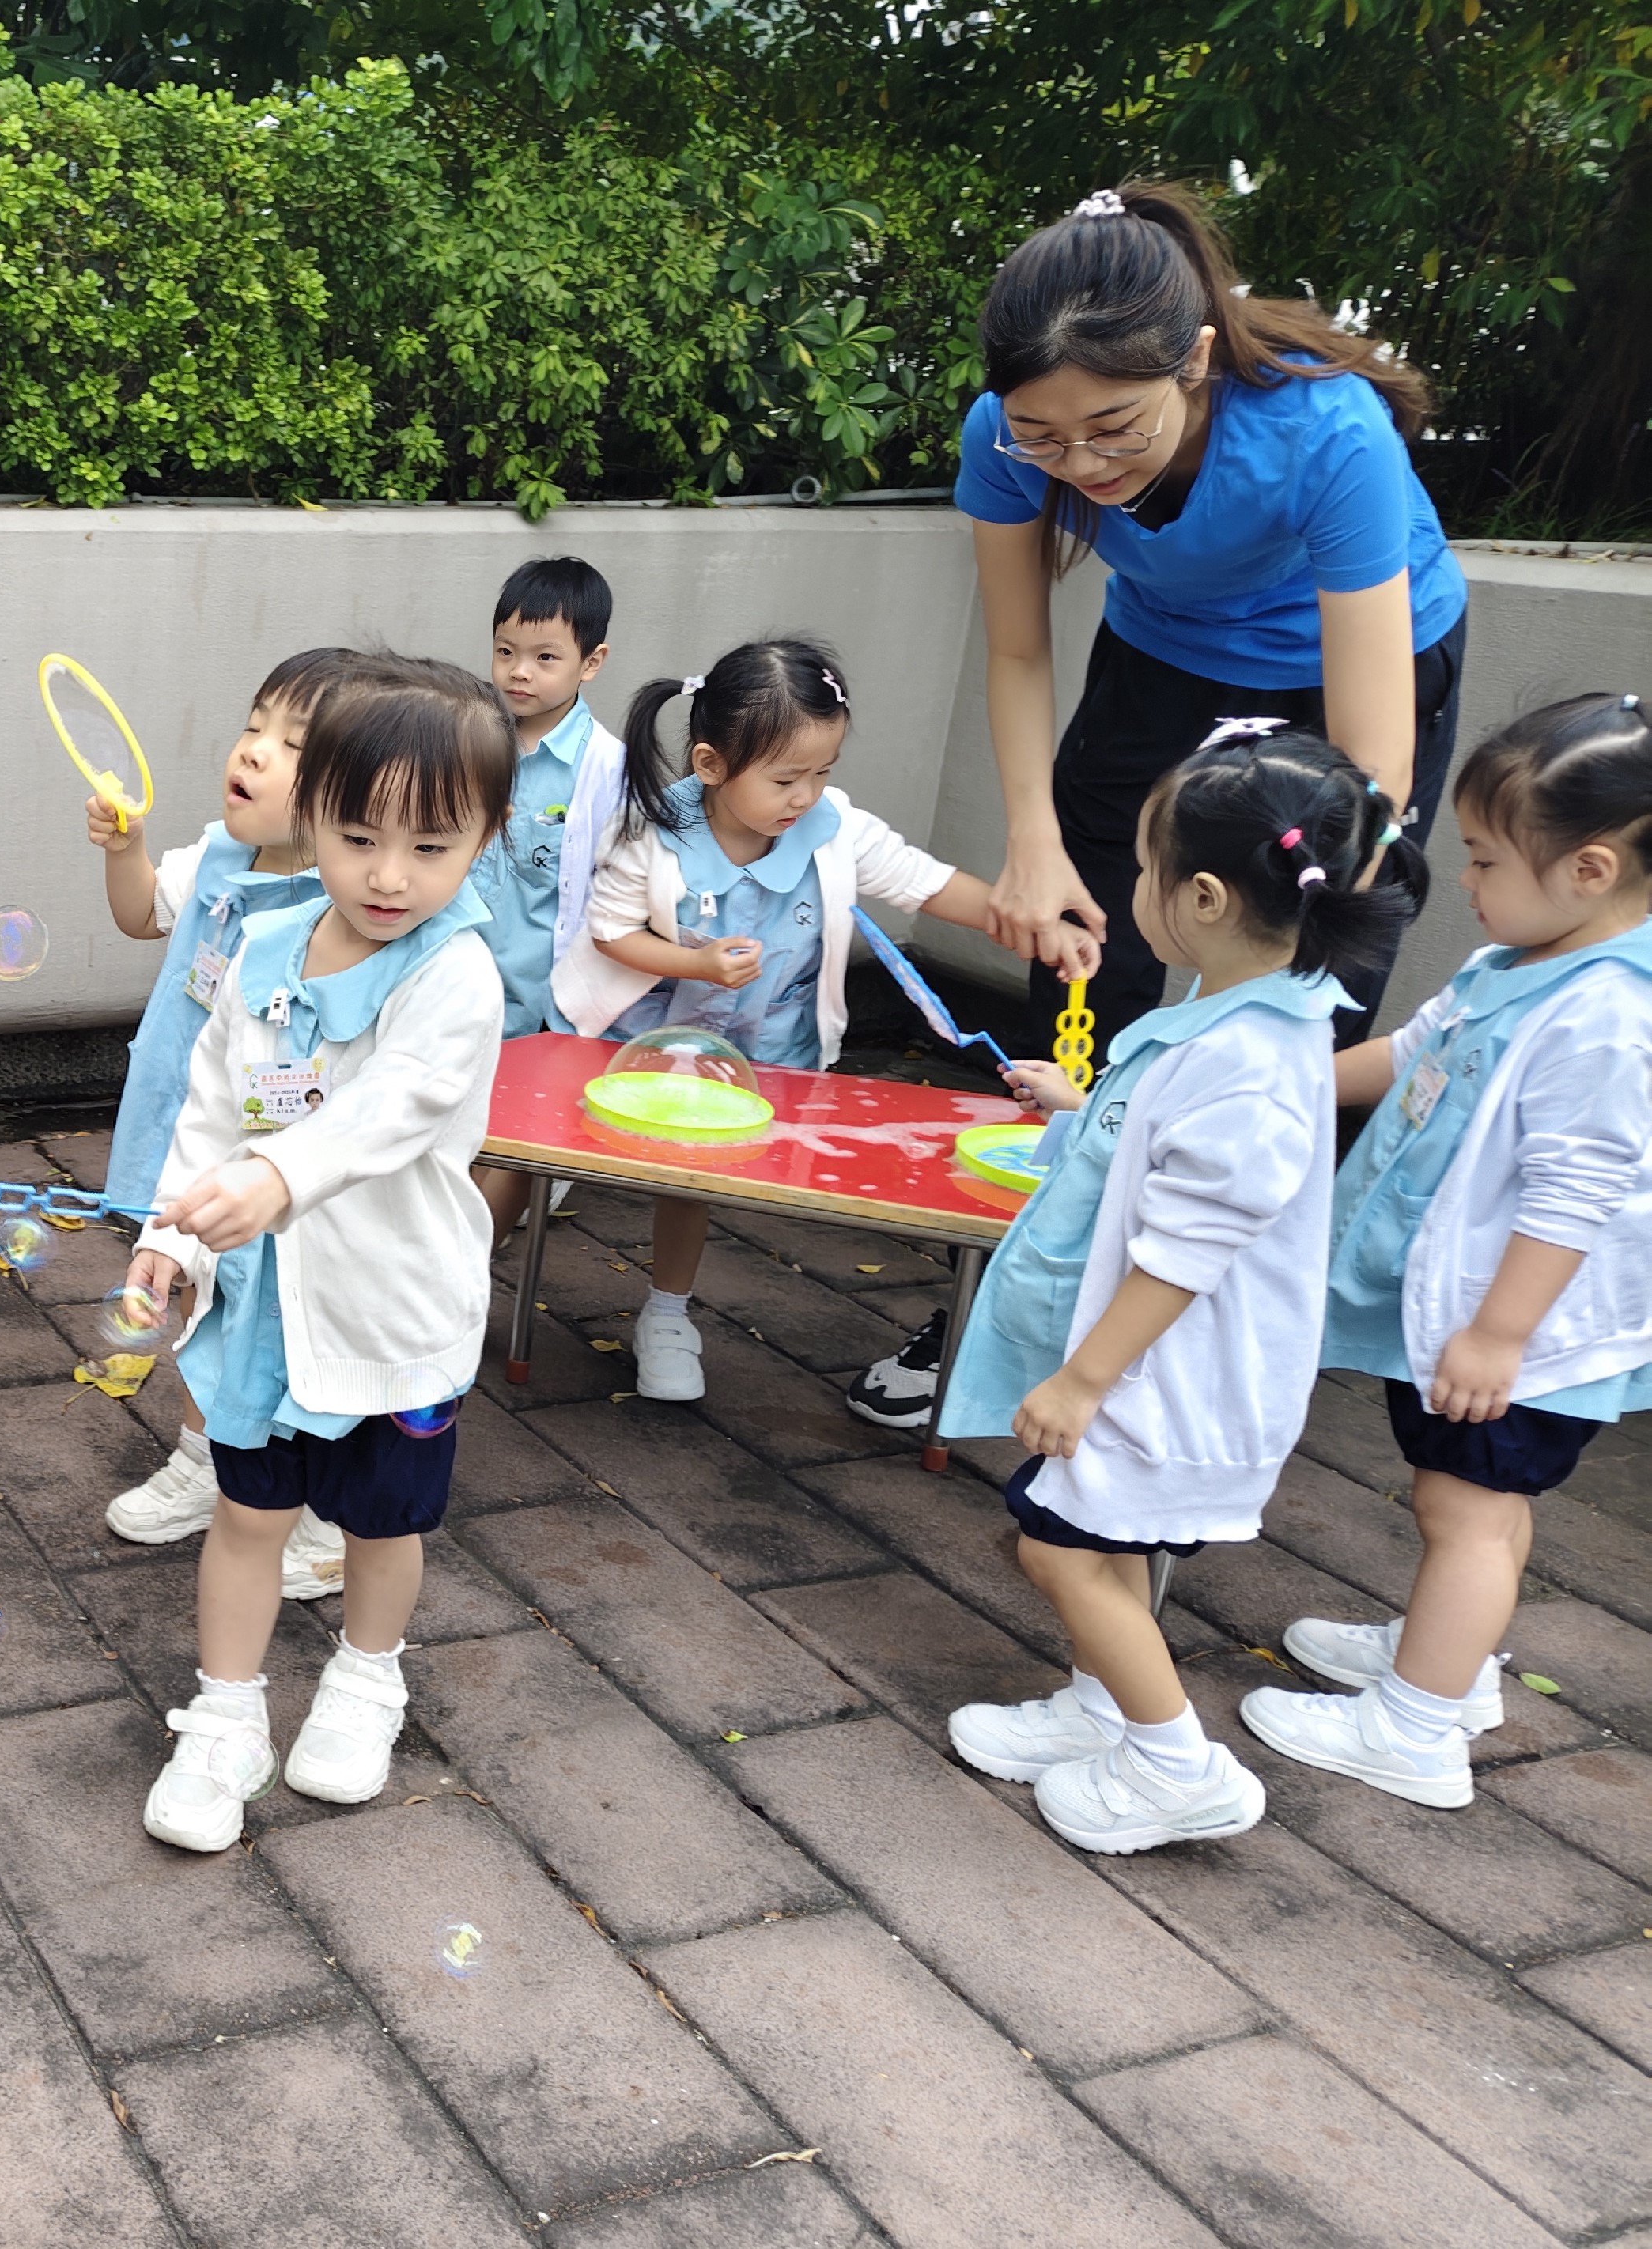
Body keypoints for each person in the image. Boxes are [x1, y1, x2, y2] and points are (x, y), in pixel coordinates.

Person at [854, 179, 1471, 1424]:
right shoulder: (1000, 433)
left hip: (1346, 679)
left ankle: (1207, 1333)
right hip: (1159, 661)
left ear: (1190, 361)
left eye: (1111, 430)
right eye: (1043, 437)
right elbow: (1015, 649)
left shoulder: (1323, 430)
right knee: (1083, 965)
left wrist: (1230, 1016)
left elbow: (1370, 766)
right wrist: (1029, 843)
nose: (1078, 465)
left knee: (1292, 1003)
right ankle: (1018, 1293)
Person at [936, 722, 1416, 1853]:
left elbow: (1185, 1250)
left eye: (1145, 868)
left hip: (1163, 1378)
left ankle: (1173, 1764)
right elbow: (1165, 1151)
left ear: (1201, 897)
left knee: (1059, 1547)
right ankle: (1102, 1706)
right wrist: (1084, 1104)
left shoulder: (1248, 1062)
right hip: (1150, 1372)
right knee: (1106, 1544)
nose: (1135, 886)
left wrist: (1082, 1381)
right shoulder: (1237, 1020)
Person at [124, 656, 513, 1853]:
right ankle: (225, 1718)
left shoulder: (455, 972)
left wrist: (276, 1177)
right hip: (262, 1306)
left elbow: (396, 1107)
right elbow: (210, 1107)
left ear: (486, 837)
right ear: (314, 815)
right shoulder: (264, 948)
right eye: (356, 838)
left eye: (431, 847)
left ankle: (364, 1681)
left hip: (389, 1309)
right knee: (248, 1516)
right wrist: (170, 1232)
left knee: (379, 1527)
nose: (390, 876)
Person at [1246, 694, 1652, 1807]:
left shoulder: (1606, 1016)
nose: (1464, 881)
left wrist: (1497, 1335)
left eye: (1482, 859)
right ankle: (1448, 1663)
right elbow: (1410, 1054)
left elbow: (1575, 1192)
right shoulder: (1516, 962)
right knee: (1473, 1502)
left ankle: (1414, 1731)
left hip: (1515, 1326)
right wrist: (1262, 1080)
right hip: (1462, 1301)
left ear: (1587, 870)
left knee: (1464, 1511)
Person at [554, 640, 1094, 1401]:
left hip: (768, 1052)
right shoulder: (653, 828)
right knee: (563, 1155)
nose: (805, 796)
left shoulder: (833, 828)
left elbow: (927, 885)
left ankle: (666, 1313)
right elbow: (612, 932)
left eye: (822, 773)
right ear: (710, 765)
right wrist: (696, 964)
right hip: (644, 1052)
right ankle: (493, 1286)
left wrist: (1036, 928)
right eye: (784, 779)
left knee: (693, 1181)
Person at [91, 651, 353, 1599]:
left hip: (272, 1157)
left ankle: (328, 1509)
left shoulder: (340, 905)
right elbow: (139, 917)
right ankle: (207, 1462)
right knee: (198, 1298)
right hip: (187, 1123)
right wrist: (124, 850)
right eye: (254, 727)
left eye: (292, 745)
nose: (254, 751)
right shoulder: (213, 855)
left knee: (283, 1314)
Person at [471, 556, 631, 1239]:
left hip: (539, 1001)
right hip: (464, 980)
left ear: (591, 662)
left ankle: (470, 1263)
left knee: (509, 1146)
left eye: (544, 657)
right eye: (505, 651)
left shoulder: (606, 769)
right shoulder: (470, 738)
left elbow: (612, 891)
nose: (519, 672)